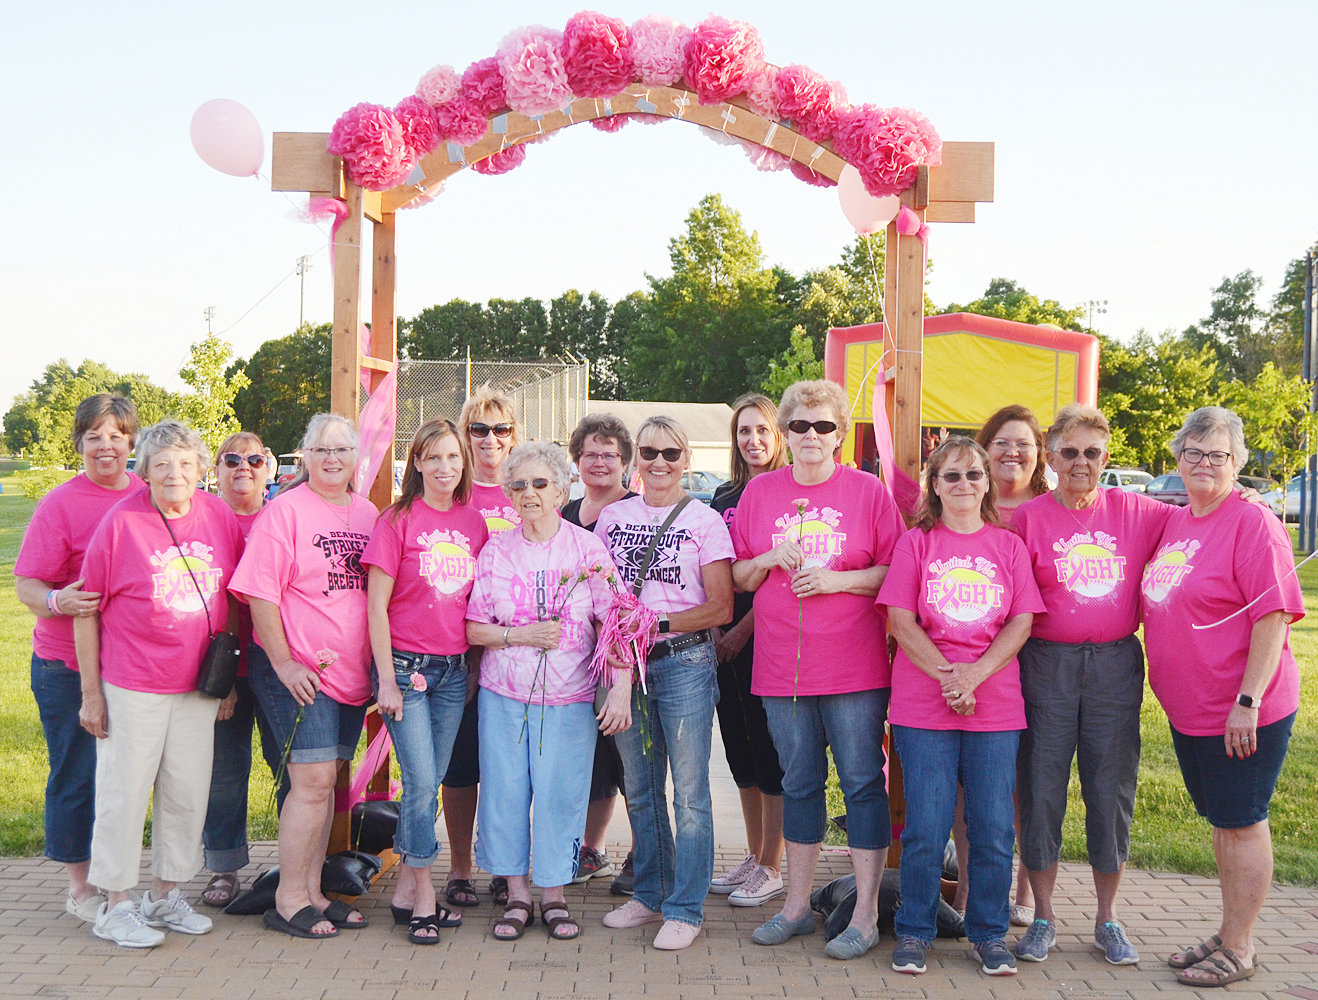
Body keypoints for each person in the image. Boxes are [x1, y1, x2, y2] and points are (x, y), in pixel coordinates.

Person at [731, 380, 904, 960]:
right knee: (799, 783)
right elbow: (738, 577)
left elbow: (894, 570)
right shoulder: (760, 494)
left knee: (860, 783)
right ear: (786, 432)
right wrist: (766, 559)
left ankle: (863, 914)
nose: (811, 436)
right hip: (781, 667)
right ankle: (797, 905)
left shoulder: (867, 492)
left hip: (854, 668)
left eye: (823, 426)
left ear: (839, 433)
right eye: (800, 426)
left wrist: (838, 580)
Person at [1141, 407, 1304, 988]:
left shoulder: (1251, 522)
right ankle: (1230, 927)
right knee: (1221, 823)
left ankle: (1240, 946)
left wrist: (1249, 701)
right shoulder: (1180, 521)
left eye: (1219, 456)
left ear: (1237, 464)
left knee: (1242, 823)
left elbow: (1274, 616)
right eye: (1194, 453)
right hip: (1193, 711)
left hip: (1242, 710)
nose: (1205, 464)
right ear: (1178, 459)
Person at [1009, 405, 1172, 965]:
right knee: (1040, 786)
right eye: (1069, 452)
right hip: (1045, 664)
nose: (1081, 463)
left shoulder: (1140, 511)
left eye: (1092, 453)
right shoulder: (1027, 519)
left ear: (1106, 456)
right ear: (1050, 457)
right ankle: (1045, 917)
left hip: (1113, 666)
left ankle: (1108, 917)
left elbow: (1203, 517)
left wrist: (1243, 501)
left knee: (1110, 788)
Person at [878, 436, 1043, 977]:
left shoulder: (1009, 546)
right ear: (935, 484)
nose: (964, 485)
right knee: (925, 827)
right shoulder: (916, 544)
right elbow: (901, 621)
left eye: (974, 474)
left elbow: (1021, 621)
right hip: (924, 705)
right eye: (951, 476)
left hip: (994, 705)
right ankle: (916, 931)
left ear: (987, 482)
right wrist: (950, 677)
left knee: (993, 827)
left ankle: (989, 933)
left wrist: (975, 674)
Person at [74, 420, 244, 948]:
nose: (175, 474)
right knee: (124, 794)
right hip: (134, 683)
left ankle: (165, 894)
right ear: (143, 471)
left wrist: (228, 679)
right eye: (163, 464)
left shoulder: (217, 515)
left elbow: (232, 598)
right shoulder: (120, 524)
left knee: (187, 793)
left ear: (201, 472)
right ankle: (116, 904)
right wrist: (91, 694)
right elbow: (86, 609)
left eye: (186, 464)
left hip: (197, 686)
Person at [466, 442, 626, 942]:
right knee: (505, 793)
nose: (529, 494)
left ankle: (554, 895)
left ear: (561, 489)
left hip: (569, 697)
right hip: (504, 695)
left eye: (540, 484)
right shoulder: (496, 549)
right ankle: (515, 895)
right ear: (508, 494)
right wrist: (520, 636)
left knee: (562, 796)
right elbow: (474, 628)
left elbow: (616, 621)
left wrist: (619, 688)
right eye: (518, 485)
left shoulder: (586, 548)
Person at [229, 413, 378, 939]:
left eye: (341, 449)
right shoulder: (284, 513)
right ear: (303, 457)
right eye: (321, 450)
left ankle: (314, 891)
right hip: (298, 673)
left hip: (351, 676)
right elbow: (260, 593)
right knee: (311, 783)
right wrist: (285, 661)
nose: (332, 459)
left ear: (356, 457)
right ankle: (289, 898)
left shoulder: (366, 512)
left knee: (329, 782)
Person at [596, 416, 734, 951]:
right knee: (641, 784)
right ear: (636, 459)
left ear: (686, 461)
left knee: (691, 791)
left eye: (670, 454)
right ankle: (651, 892)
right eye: (649, 452)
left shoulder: (704, 520)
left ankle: (686, 905)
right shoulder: (613, 517)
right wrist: (620, 656)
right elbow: (603, 596)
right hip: (626, 663)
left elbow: (720, 605)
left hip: (682, 663)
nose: (659, 463)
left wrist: (659, 624)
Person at [14, 393, 140, 924]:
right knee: (77, 773)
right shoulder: (60, 504)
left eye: (115, 436)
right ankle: (79, 887)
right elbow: (26, 583)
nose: (105, 447)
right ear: (80, 444)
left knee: (126, 779)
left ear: (133, 442)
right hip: (66, 666)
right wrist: (55, 600)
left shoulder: (149, 493)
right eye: (94, 437)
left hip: (132, 667)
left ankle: (121, 880)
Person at [362, 418, 488, 944]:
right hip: (407, 670)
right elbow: (375, 607)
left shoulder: (474, 522)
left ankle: (401, 894)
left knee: (430, 781)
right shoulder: (398, 520)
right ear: (415, 463)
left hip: (454, 672)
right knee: (418, 783)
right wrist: (387, 679)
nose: (444, 467)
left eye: (453, 458)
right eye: (433, 458)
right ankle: (423, 895)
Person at [442, 385, 522, 910]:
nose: (489, 439)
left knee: (507, 768)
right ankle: (460, 867)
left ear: (514, 436)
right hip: (459, 649)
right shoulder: (455, 495)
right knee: (461, 766)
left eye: (500, 429)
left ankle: (503, 862)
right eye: (478, 429)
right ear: (465, 436)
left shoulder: (526, 490)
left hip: (514, 654)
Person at [708, 394, 789, 907]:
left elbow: (777, 576)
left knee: (769, 751)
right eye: (744, 431)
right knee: (739, 752)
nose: (753, 440)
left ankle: (774, 865)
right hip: (724, 638)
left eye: (762, 430)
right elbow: (716, 566)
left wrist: (742, 631)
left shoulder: (788, 492)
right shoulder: (722, 495)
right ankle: (754, 854)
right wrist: (718, 626)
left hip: (769, 637)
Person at [201, 432, 285, 909]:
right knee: (226, 771)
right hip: (224, 668)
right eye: (232, 460)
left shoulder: (283, 516)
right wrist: (224, 680)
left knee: (289, 768)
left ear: (269, 466)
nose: (244, 468)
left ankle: (294, 866)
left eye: (255, 459)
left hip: (277, 666)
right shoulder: (205, 521)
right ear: (217, 467)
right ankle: (225, 868)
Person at [972, 403, 1048, 924]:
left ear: (1040, 455)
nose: (1012, 451)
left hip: (1038, 656)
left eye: (1023, 443)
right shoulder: (965, 501)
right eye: (1002, 441)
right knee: (968, 782)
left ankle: (1022, 892)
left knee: (1025, 777)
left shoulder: (1050, 508)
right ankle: (969, 891)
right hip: (969, 659)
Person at [561, 413, 637, 894]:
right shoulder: (565, 513)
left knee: (631, 755)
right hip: (572, 655)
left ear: (625, 463)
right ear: (577, 461)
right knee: (591, 758)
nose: (600, 462)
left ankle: (643, 853)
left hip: (626, 652)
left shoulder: (637, 510)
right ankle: (591, 848)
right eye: (591, 453)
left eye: (610, 454)